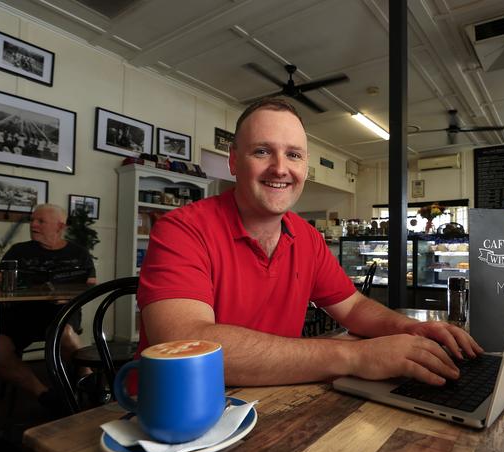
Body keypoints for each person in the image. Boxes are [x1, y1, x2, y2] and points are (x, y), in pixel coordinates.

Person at [136, 98, 482, 388]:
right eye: (262, 151)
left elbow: (354, 308)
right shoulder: (182, 229)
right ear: (233, 161)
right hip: (172, 419)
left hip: (268, 398)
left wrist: (411, 328)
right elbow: (184, 344)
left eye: (294, 155)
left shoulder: (306, 237)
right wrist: (355, 356)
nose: (280, 168)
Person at [0, 204, 96, 415]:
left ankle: (87, 380)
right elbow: (0, 288)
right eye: (33, 220)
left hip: (62, 314)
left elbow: (90, 288)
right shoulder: (18, 251)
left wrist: (70, 296)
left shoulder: (80, 254)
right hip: (21, 316)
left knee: (65, 333)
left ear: (59, 226)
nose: (33, 225)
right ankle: (45, 395)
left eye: (40, 221)